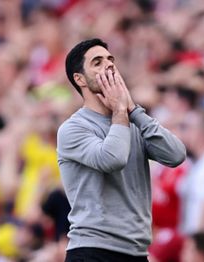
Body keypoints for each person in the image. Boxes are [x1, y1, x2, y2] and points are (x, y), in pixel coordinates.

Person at [57, 38, 186, 261]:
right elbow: (112, 159)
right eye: (97, 62)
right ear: (80, 79)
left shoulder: (132, 120)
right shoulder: (73, 129)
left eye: (110, 60)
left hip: (136, 251)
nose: (108, 65)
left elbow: (176, 155)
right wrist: (119, 111)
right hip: (93, 250)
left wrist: (133, 111)